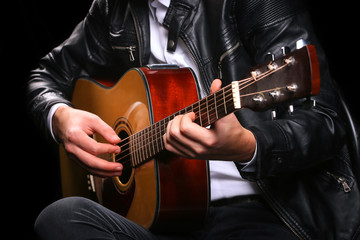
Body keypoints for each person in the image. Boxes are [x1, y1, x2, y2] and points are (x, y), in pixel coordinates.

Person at [27, 0, 360, 239]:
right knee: (61, 218)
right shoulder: (113, 10)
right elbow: (46, 76)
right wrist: (60, 116)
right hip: (160, 223)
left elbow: (325, 122)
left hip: (261, 214)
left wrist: (248, 146)